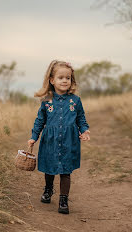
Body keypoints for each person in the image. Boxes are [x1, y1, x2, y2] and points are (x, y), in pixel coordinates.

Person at [28, 60, 90, 214]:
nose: (64, 81)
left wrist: (85, 130)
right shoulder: (46, 101)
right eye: (60, 77)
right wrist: (33, 137)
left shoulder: (75, 101)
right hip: (50, 141)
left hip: (69, 142)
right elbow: (39, 121)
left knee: (65, 170)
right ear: (52, 80)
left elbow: (81, 118)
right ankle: (48, 189)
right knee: (49, 168)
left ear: (71, 80)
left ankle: (63, 199)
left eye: (67, 78)